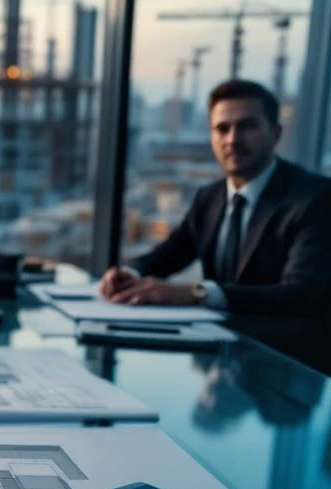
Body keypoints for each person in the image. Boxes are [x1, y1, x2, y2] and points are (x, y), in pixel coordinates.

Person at [100, 80, 331, 318]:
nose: (232, 139)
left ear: (275, 132)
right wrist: (131, 273)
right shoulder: (210, 198)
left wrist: (196, 293)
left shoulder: (315, 198)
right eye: (222, 129)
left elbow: (302, 294)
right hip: (214, 344)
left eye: (247, 126)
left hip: (279, 350)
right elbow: (169, 254)